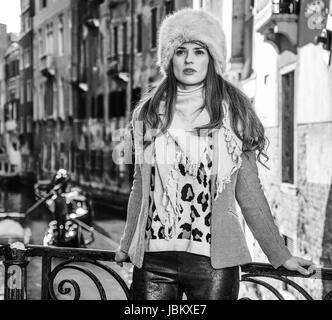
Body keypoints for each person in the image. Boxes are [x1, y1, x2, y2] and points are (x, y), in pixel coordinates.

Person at [115, 8, 315, 300]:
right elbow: (140, 188)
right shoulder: (146, 115)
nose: (189, 60)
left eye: (199, 51)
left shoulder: (233, 114)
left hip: (213, 263)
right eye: (180, 51)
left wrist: (280, 254)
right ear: (169, 58)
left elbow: (249, 192)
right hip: (152, 259)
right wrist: (125, 244)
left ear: (212, 58)